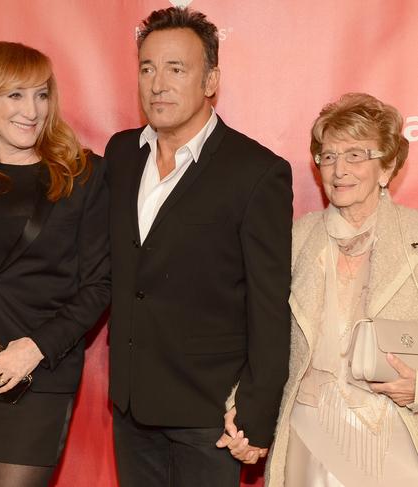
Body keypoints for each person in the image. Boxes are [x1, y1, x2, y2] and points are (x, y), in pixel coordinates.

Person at [105, 6, 293, 486]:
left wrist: (257, 410)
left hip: (211, 417)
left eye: (176, 69)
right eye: (147, 68)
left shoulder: (256, 172)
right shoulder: (122, 153)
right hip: (131, 410)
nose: (157, 83)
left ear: (210, 80)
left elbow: (269, 305)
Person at [0, 41, 110, 487]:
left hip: (36, 377)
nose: (32, 110)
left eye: (41, 94)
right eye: (15, 95)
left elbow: (99, 285)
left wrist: (34, 349)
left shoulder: (81, 175)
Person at [266, 93, 418, 486]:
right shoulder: (297, 238)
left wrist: (416, 389)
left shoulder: (414, 237)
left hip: (389, 433)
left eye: (355, 155)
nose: (338, 169)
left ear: (386, 167)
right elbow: (261, 333)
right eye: (329, 156)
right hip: (308, 430)